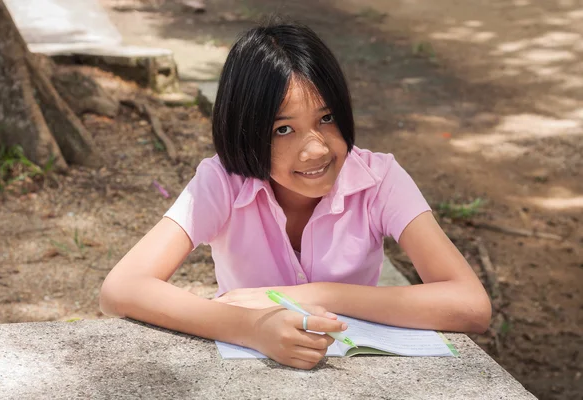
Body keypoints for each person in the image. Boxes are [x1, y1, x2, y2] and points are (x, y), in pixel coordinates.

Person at [100, 22, 491, 370]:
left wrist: (314, 295)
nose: (315, 150)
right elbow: (122, 289)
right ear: (246, 131)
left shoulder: (379, 178)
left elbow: (471, 305)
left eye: (327, 118)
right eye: (283, 130)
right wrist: (253, 329)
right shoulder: (223, 180)